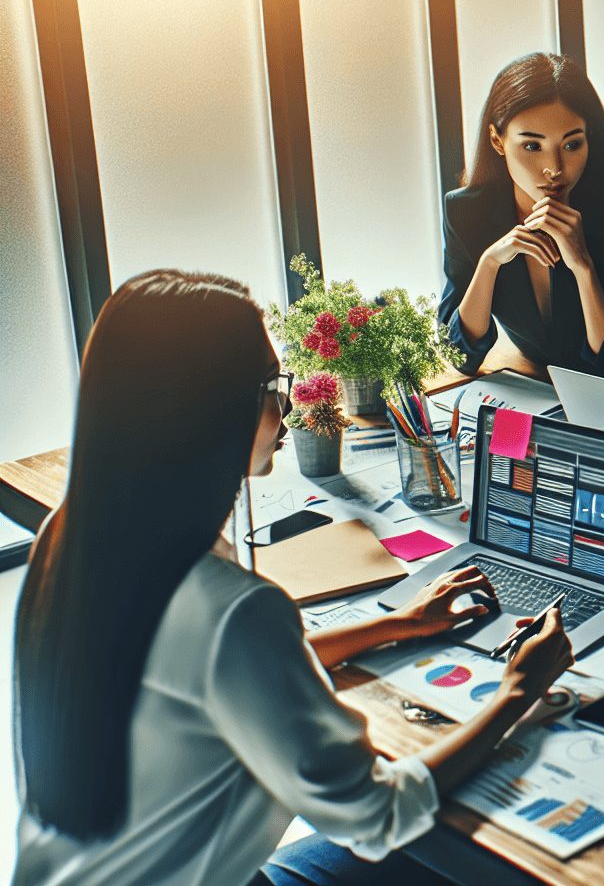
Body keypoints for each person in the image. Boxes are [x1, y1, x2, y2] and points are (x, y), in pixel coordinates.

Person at [13, 270, 575, 886]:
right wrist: (518, 691)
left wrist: (399, 624)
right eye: (269, 387)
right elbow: (377, 817)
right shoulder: (233, 609)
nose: (288, 406)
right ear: (202, 409)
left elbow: (225, 673)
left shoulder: (74, 538)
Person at [440, 53, 604, 379]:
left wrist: (583, 268)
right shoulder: (468, 212)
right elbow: (458, 356)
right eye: (532, 147)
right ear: (498, 140)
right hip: (532, 392)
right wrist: (489, 263)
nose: (554, 168)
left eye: (571, 145)